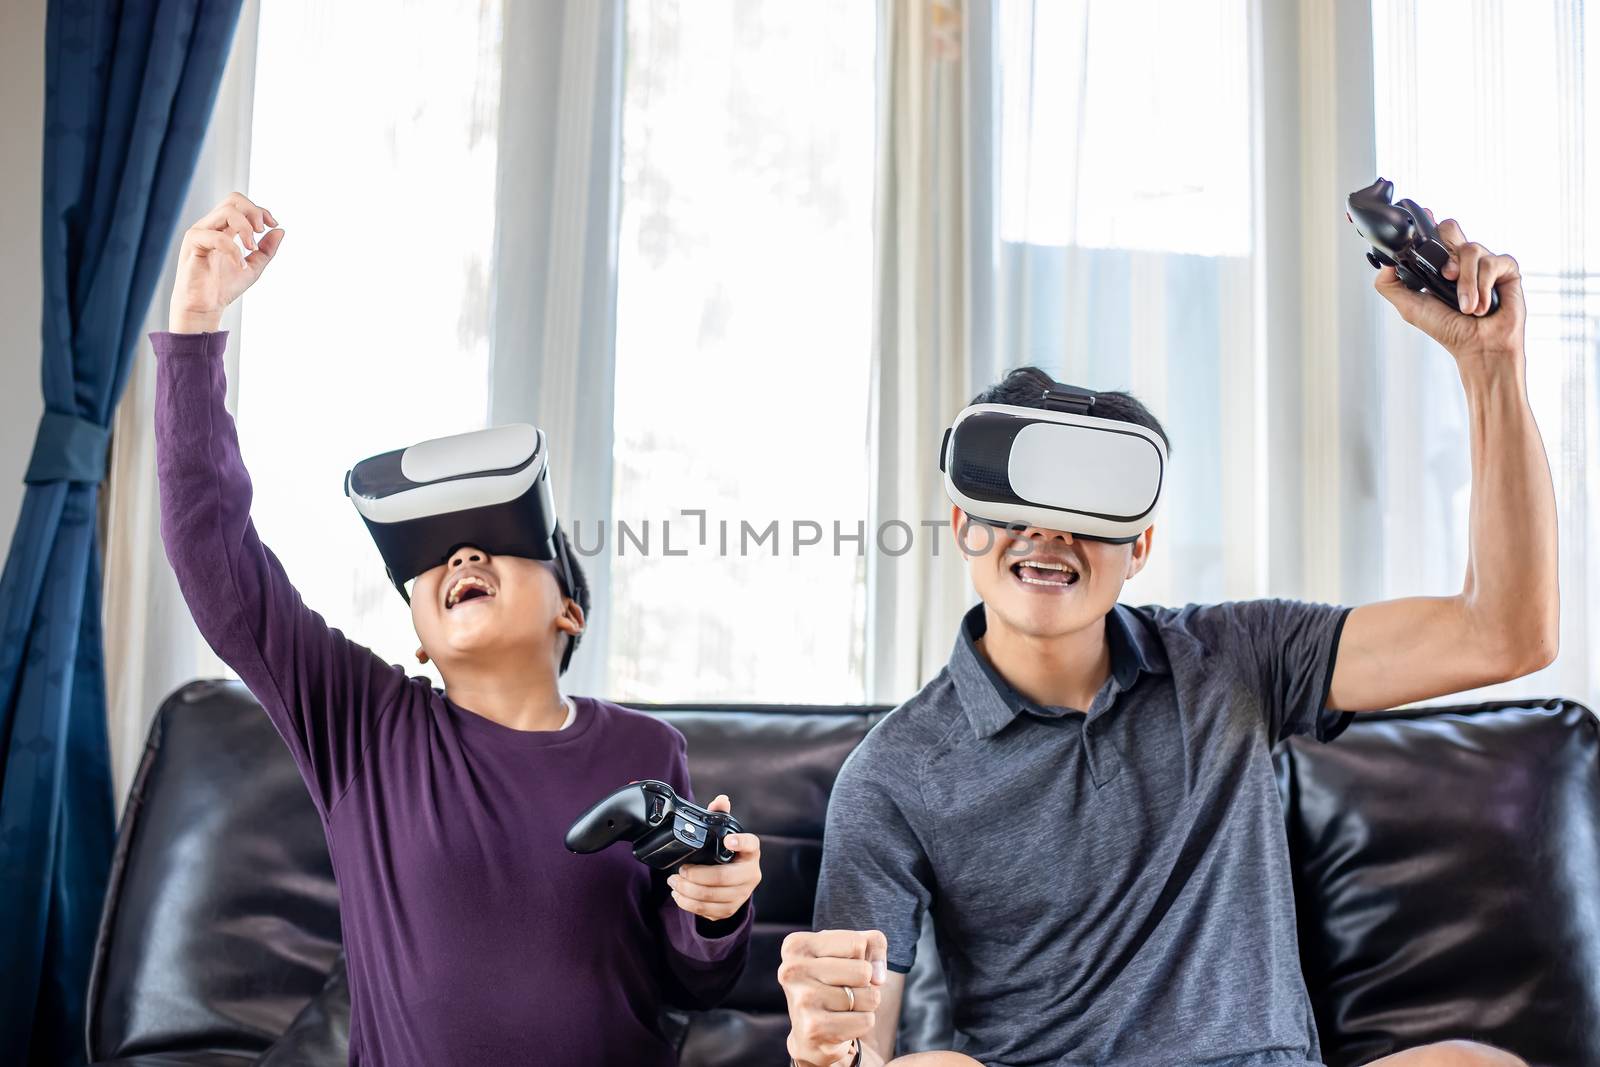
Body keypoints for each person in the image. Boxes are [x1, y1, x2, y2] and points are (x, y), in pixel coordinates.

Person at [779, 215, 1551, 1067]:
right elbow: (860, 1041)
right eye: (1017, 505)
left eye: (1089, 511)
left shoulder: (1237, 657)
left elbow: (1503, 632)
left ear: (1139, 546)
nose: (1048, 533)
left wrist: (1492, 366)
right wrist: (829, 1049)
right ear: (963, 522)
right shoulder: (893, 771)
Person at [153, 192, 761, 1066]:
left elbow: (692, 982)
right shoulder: (363, 724)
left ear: (570, 609)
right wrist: (196, 325)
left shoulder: (648, 750)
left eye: (503, 543)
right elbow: (215, 554)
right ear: (418, 637)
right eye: (434, 559)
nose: (463, 555)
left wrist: (716, 909)